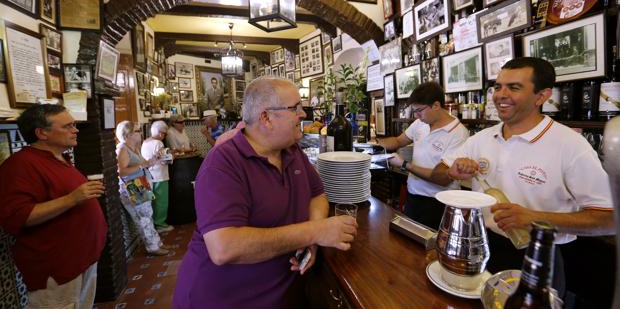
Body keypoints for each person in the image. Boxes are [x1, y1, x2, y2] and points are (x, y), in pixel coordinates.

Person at [431, 57, 614, 291]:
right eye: (497, 87)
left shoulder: (570, 144)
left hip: (539, 254)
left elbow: (609, 219)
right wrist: (452, 171)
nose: (500, 95)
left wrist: (534, 219)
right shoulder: (483, 138)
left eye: (514, 87)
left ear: (542, 96)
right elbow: (438, 173)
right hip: (482, 245)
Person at [173, 78, 358, 309]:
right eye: (295, 108)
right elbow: (224, 247)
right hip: (224, 300)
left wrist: (311, 239)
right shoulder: (222, 163)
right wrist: (315, 231)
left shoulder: (292, 151)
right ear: (266, 117)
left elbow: (317, 194)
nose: (303, 114)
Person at [0, 104, 107, 309]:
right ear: (42, 133)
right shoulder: (20, 165)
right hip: (56, 267)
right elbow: (17, 216)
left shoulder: (60, 157)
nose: (75, 130)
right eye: (68, 126)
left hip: (81, 259)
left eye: (74, 125)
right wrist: (73, 198)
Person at [375, 82, 469, 229]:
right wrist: (374, 144)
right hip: (414, 196)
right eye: (414, 111)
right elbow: (399, 141)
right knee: (409, 244)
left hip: (438, 203)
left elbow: (442, 178)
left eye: (419, 111)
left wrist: (404, 165)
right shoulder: (421, 123)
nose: (416, 116)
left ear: (436, 105)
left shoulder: (458, 133)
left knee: (432, 248)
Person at [115, 121, 168, 256]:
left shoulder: (134, 147)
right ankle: (153, 247)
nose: (140, 133)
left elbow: (143, 165)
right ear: (129, 134)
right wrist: (141, 166)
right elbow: (121, 171)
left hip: (140, 183)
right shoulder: (122, 148)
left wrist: (153, 160)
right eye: (138, 131)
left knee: (147, 214)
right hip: (131, 185)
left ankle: (155, 242)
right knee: (143, 217)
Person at [141, 120, 173, 233]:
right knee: (161, 201)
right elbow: (165, 160)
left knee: (152, 201)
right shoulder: (158, 143)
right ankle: (160, 224)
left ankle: (154, 224)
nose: (164, 136)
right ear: (161, 133)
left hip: (148, 176)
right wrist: (171, 156)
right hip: (160, 175)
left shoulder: (145, 142)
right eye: (164, 134)